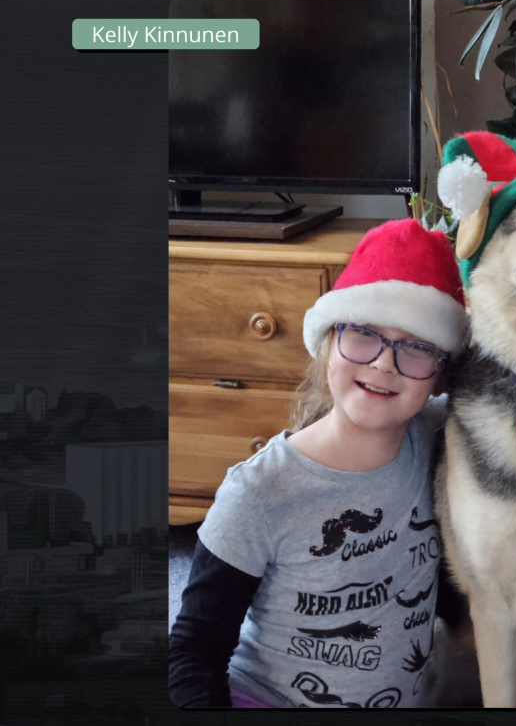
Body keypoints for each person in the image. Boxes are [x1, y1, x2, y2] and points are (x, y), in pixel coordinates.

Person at [169, 218, 468, 708]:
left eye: (417, 346)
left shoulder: (438, 435)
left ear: (439, 375)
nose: (384, 364)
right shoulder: (259, 492)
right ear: (329, 341)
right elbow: (191, 652)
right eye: (365, 333)